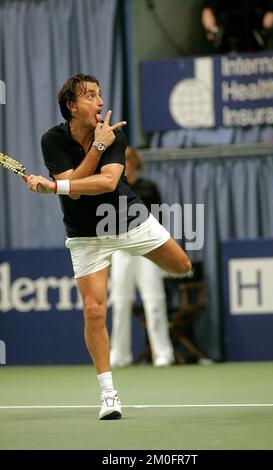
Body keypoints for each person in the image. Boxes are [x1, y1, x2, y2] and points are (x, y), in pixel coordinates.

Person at [25, 74, 191, 421]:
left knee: (182, 267)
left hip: (129, 221)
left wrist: (57, 184)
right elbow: (74, 185)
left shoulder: (114, 134)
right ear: (72, 106)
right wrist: (65, 184)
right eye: (90, 96)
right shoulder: (52, 140)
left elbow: (106, 182)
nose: (100, 102)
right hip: (86, 235)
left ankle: (142, 252)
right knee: (94, 309)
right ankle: (109, 394)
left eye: (100, 95)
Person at [110, 147, 174, 368]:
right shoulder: (110, 186)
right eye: (121, 160)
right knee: (120, 302)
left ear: (135, 162)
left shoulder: (148, 187)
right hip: (120, 248)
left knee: (154, 301)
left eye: (128, 160)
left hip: (148, 248)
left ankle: (163, 353)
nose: (125, 163)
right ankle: (119, 355)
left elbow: (160, 219)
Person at [201, 0, 273, 53]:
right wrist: (211, 29)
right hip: (226, 39)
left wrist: (265, 29)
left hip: (253, 38)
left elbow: (271, 12)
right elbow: (208, 11)